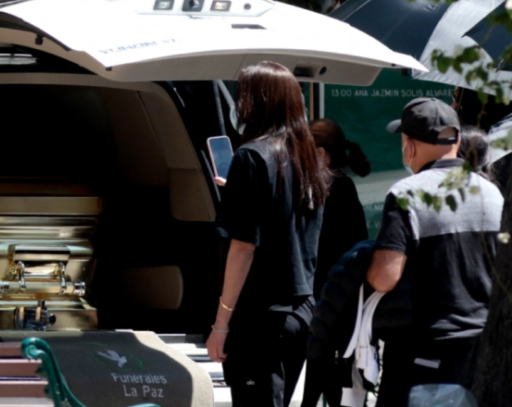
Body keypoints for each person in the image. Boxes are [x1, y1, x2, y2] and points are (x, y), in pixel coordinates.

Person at [206, 61, 331, 407]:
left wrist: (221, 323)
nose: (240, 104)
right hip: (301, 310)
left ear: (258, 102)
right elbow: (285, 214)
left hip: (259, 319)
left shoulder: (251, 157)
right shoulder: (309, 159)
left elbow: (244, 247)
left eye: (244, 95)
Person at [367, 98, 504, 407]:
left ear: (410, 145)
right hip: (482, 349)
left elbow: (384, 278)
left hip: (425, 353)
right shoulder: (491, 192)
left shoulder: (407, 192)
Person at [301, 119, 370, 407]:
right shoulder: (344, 187)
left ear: (320, 153)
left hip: (323, 294)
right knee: (324, 369)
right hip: (341, 296)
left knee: (320, 366)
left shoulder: (323, 189)